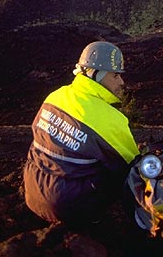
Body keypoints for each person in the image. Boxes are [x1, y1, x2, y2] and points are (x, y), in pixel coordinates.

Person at [23, 41, 140, 226]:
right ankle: (94, 223)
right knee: (121, 173)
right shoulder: (109, 119)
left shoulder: (55, 96)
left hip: (31, 192)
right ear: (96, 75)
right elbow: (132, 167)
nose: (121, 82)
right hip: (65, 206)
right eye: (116, 75)